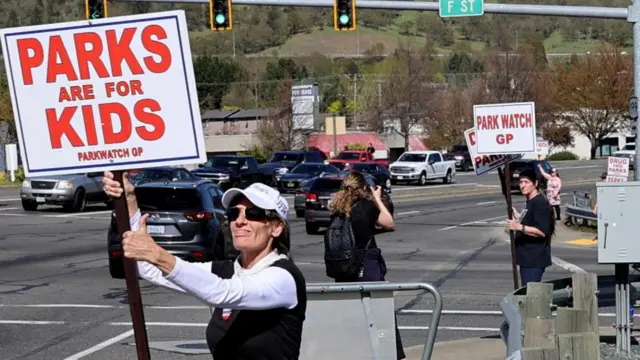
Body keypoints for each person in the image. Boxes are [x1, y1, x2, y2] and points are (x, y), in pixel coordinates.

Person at [102, 172, 306, 359]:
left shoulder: (283, 277)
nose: (240, 221)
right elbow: (150, 270)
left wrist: (157, 253)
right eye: (235, 213)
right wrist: (129, 200)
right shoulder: (225, 271)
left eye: (253, 213)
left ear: (277, 227)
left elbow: (224, 293)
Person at [328, 171, 406, 359]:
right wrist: (378, 199)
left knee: (350, 315)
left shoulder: (337, 209)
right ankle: (389, 353)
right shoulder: (366, 207)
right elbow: (389, 222)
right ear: (364, 187)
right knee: (381, 313)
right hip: (366, 265)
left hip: (344, 267)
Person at [507, 168, 556, 287]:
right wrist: (517, 216)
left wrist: (519, 227)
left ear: (536, 184)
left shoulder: (539, 203)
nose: (522, 186)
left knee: (531, 295)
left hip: (534, 259)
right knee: (526, 293)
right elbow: (530, 221)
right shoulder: (529, 201)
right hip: (526, 258)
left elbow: (542, 231)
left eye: (526, 182)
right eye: (521, 182)